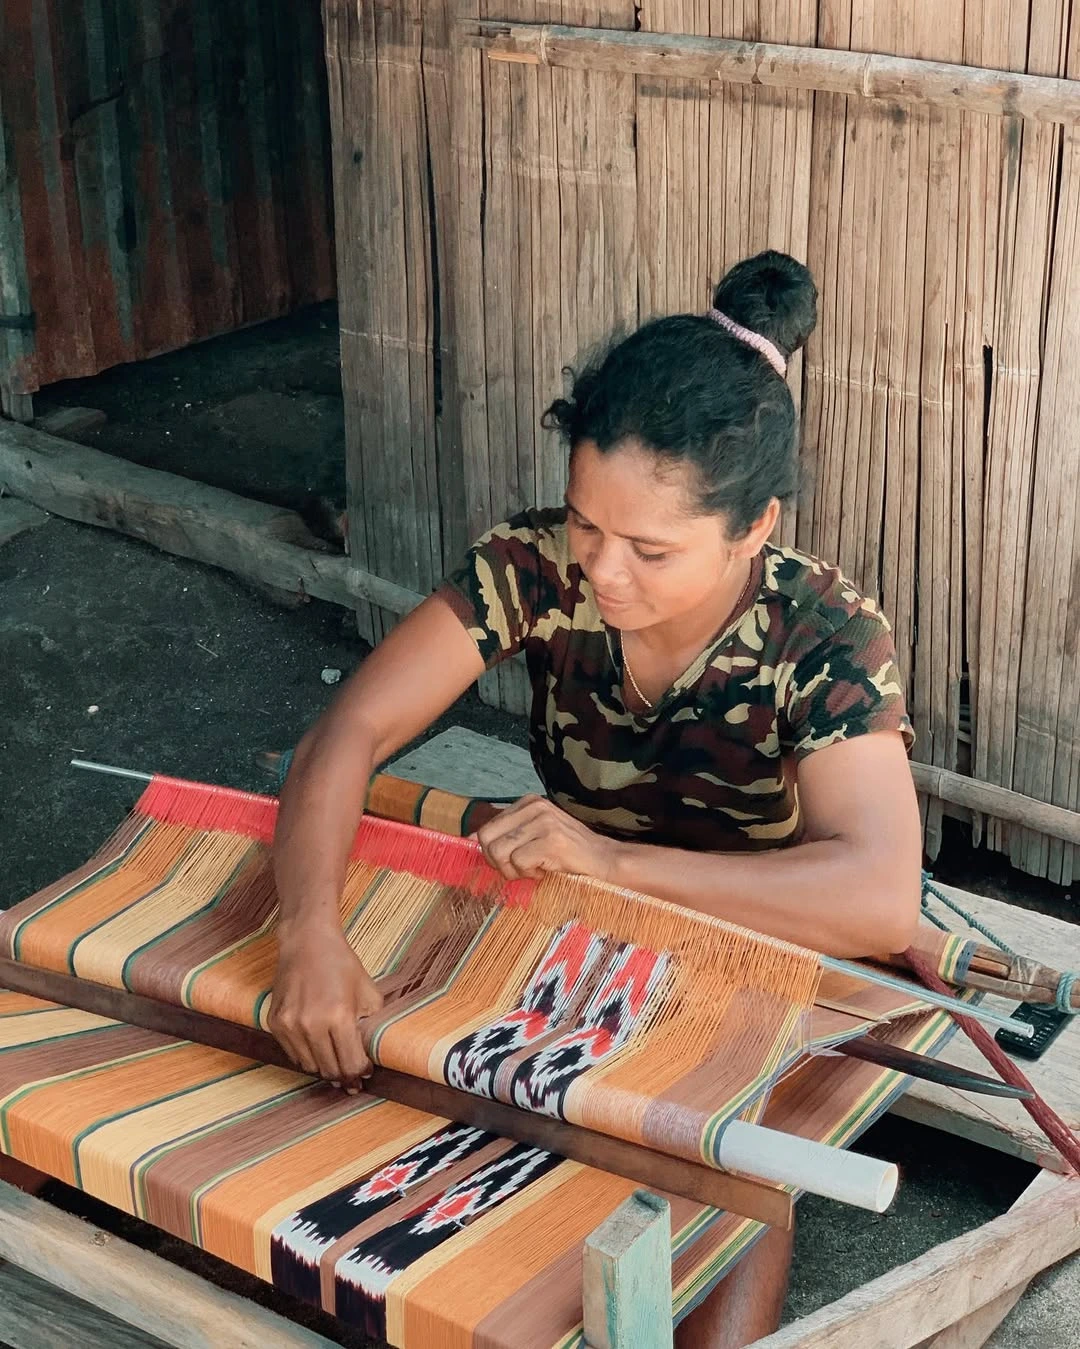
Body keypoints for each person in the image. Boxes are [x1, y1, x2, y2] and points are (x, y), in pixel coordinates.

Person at [269, 250, 923, 1348]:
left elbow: (877, 897)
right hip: (567, 916)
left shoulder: (823, 631)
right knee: (373, 1093)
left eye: (651, 548)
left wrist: (613, 863)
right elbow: (350, 732)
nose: (604, 571)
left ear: (753, 527)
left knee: (718, 1157)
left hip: (749, 946)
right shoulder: (533, 567)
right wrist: (309, 929)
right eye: (587, 523)